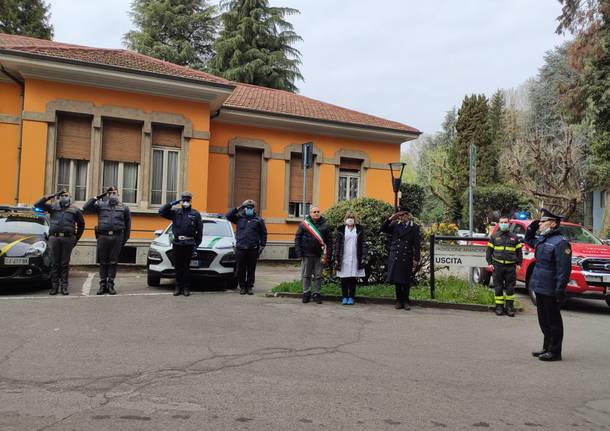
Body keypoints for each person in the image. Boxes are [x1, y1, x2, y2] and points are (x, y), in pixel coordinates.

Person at [524, 208, 571, 362]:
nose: (540, 224)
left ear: (553, 223)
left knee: (553, 321)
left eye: (543, 222)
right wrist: (532, 226)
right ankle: (547, 347)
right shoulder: (543, 239)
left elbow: (563, 269)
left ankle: (555, 351)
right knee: (543, 320)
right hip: (539, 285)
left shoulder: (561, 243)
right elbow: (529, 241)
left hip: (551, 288)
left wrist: (560, 289)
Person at [34, 190, 85, 295]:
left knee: (64, 264)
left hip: (68, 239)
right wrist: (52, 195)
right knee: (55, 263)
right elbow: (37, 204)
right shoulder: (53, 207)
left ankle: (64, 287)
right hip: (54, 238)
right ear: (58, 197)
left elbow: (81, 224)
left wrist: (76, 238)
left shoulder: (75, 210)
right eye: (62, 195)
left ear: (70, 197)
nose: (64, 197)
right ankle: (54, 286)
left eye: (66, 195)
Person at [83, 187, 131, 295]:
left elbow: (128, 226)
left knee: (113, 262)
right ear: (107, 195)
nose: (112, 195)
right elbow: (86, 207)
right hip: (103, 237)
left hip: (117, 237)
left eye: (114, 193)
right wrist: (97, 197)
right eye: (110, 193)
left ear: (118, 194)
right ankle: (102, 285)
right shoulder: (101, 205)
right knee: (103, 262)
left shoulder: (124, 208)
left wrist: (124, 239)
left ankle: (111, 285)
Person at [159, 192, 203, 297]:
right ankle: (178, 287)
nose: (186, 202)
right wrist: (173, 203)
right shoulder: (175, 212)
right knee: (178, 267)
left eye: (187, 200)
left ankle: (186, 288)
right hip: (177, 243)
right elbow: (161, 211)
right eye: (184, 200)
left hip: (189, 243)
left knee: (186, 267)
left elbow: (199, 231)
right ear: (181, 201)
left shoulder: (195, 214)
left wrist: (196, 244)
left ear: (190, 200)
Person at [381, 208, 421, 310]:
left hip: (407, 255)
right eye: (400, 215)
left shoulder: (414, 227)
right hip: (396, 255)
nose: (401, 217)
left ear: (408, 215)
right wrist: (390, 219)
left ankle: (406, 300)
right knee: (397, 280)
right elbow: (383, 229)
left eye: (403, 215)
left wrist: (416, 259)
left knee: (406, 280)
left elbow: (417, 244)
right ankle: (399, 300)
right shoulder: (395, 225)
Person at [225, 199, 267, 295]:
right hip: (240, 248)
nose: (249, 209)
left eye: (251, 208)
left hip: (253, 248)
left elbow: (263, 233)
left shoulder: (258, 220)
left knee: (251, 269)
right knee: (240, 269)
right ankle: (242, 287)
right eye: (247, 207)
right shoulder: (239, 218)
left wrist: (262, 245)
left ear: (253, 208)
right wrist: (238, 208)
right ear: (244, 208)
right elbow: (228, 216)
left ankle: (250, 287)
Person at [294, 205, 332, 304]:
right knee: (306, 275)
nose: (316, 213)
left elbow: (329, 241)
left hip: (319, 254)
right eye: (314, 212)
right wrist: (299, 253)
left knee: (318, 276)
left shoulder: (325, 225)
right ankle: (306, 293)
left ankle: (316, 294)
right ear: (310, 213)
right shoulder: (303, 225)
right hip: (307, 254)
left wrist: (328, 254)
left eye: (318, 211)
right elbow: (297, 238)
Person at [486, 216, 523, 317]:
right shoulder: (494, 237)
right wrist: (489, 263)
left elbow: (519, 252)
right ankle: (499, 307)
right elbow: (489, 252)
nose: (503, 224)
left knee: (510, 288)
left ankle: (510, 308)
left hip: (510, 267)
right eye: (501, 222)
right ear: (499, 223)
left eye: (505, 222)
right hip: (497, 266)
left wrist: (519, 264)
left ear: (509, 223)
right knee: (498, 288)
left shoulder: (515, 237)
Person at [334, 211, 366, 305]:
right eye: (349, 217)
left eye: (352, 217)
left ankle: (351, 297)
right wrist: (336, 257)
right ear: (345, 218)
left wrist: (364, 256)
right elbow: (337, 244)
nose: (350, 219)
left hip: (355, 257)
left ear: (355, 219)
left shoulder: (359, 229)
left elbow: (363, 243)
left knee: (352, 279)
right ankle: (344, 297)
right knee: (344, 279)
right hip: (343, 257)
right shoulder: (341, 229)